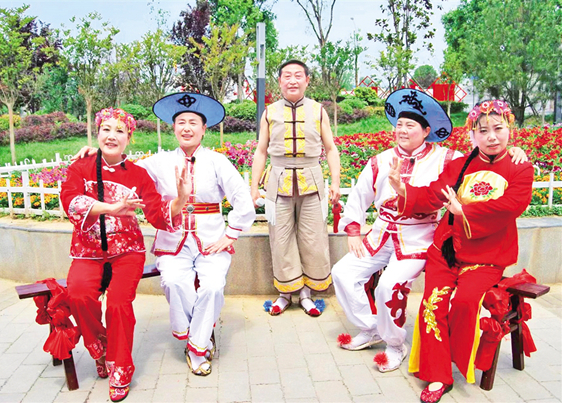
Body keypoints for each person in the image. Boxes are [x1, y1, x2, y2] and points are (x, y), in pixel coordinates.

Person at [331, 90, 528, 373]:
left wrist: (516, 150)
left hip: (420, 237)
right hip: (381, 234)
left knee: (388, 286)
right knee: (342, 273)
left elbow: (487, 159)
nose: (402, 130)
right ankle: (372, 327)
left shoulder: (448, 159)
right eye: (399, 124)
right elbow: (360, 196)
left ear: (426, 131)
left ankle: (395, 344)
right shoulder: (380, 160)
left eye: (410, 125)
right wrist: (353, 230)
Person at [388, 100, 533, 403]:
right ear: (473, 135)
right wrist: (404, 190)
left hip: (487, 256)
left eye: (498, 128)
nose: (491, 137)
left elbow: (511, 205)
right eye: (483, 131)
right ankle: (439, 376)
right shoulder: (459, 166)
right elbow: (434, 193)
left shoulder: (520, 167)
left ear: (510, 129)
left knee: (466, 303)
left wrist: (464, 211)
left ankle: (451, 356)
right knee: (432, 305)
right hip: (447, 250)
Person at [61, 108, 190, 402]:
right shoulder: (80, 167)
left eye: (119, 131)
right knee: (78, 294)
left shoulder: (137, 174)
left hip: (127, 251)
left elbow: (157, 214)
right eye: (106, 129)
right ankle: (100, 345)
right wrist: (110, 208)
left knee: (119, 304)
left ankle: (121, 366)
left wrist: (181, 199)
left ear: (128, 138)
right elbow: (70, 201)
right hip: (87, 250)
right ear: (97, 133)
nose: (112, 136)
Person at [143, 92, 256, 376]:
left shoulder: (218, 161)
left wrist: (231, 234)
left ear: (204, 129)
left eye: (193, 122)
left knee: (213, 286)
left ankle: (196, 347)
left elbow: (242, 198)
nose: (187, 128)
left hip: (211, 240)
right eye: (181, 122)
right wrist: (95, 156)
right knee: (172, 282)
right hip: (173, 240)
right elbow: (123, 172)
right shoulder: (159, 162)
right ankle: (201, 336)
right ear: (173, 127)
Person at [250, 59, 341, 317]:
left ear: (307, 80)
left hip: (311, 180)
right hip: (278, 181)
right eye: (287, 76)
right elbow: (261, 151)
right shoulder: (269, 112)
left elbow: (330, 149)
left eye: (298, 75)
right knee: (280, 238)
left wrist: (335, 182)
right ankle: (284, 294)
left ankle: (306, 294)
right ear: (279, 81)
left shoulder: (318, 111)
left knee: (313, 238)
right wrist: (253, 187)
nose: (292, 80)